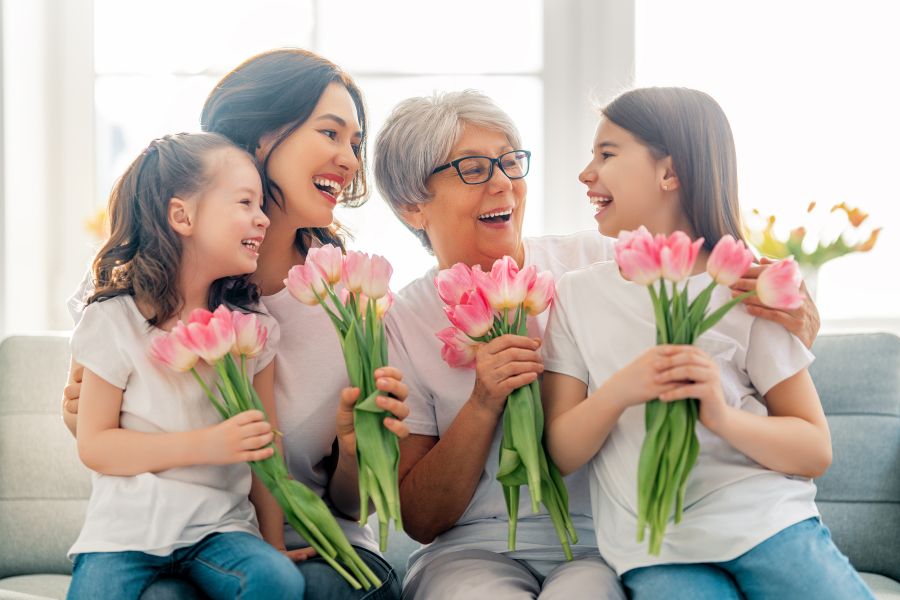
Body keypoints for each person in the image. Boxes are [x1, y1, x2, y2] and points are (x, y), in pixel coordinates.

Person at [373, 90, 821, 599]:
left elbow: (721, 302)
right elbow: (421, 519)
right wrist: (482, 401)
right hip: (471, 549)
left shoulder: (602, 263)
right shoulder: (400, 321)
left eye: (510, 163)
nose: (503, 183)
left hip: (602, 540)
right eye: (473, 169)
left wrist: (795, 316)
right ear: (413, 206)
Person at [64, 49, 409, 599]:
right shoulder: (127, 294)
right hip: (168, 537)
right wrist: (83, 418)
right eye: (330, 132)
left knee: (314, 586)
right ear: (262, 137)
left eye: (355, 143)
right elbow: (102, 430)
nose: (349, 160)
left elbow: (353, 501)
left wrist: (355, 446)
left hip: (310, 541)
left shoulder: (354, 299)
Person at [540, 86, 874, 600]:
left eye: (606, 154)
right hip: (654, 548)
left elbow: (814, 449)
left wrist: (720, 416)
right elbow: (560, 452)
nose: (587, 173)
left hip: (768, 526)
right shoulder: (577, 294)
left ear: (669, 173)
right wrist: (624, 388)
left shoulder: (745, 286)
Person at [66, 132, 307, 599]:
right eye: (245, 202)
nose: (262, 219)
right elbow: (95, 445)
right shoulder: (113, 320)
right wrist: (209, 445)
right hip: (121, 535)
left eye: (261, 205)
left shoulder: (252, 329)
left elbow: (265, 453)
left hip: (220, 531)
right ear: (183, 215)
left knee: (276, 580)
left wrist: (274, 543)